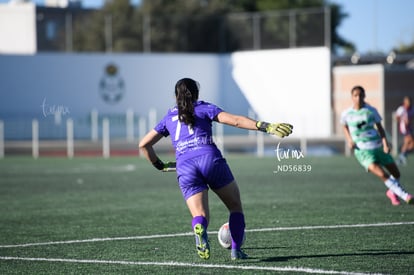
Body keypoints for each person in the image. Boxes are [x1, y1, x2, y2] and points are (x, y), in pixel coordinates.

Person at [138, 78, 293, 260]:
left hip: (185, 167)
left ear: (175, 96)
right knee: (235, 207)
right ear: (196, 94)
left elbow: (144, 144)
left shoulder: (168, 117)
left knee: (201, 215)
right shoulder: (204, 107)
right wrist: (265, 126)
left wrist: (161, 165)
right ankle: (236, 251)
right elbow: (235, 121)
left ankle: (200, 228)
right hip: (209, 159)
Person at [341, 85, 413, 206]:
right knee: (382, 174)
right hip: (362, 151)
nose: (358, 98)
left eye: (360, 95)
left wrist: (385, 144)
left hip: (377, 147)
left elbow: (380, 128)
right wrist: (349, 140)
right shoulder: (347, 113)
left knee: (396, 174)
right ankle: (405, 196)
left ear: (364, 96)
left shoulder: (371, 111)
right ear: (352, 97)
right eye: (355, 95)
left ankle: (391, 192)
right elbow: (344, 125)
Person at [395, 96, 414, 165]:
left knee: (410, 144)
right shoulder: (401, 109)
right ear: (405, 102)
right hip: (404, 128)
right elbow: (396, 117)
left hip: (409, 127)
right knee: (409, 140)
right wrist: (403, 120)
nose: (409, 103)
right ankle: (402, 157)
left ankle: (401, 157)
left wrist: (410, 121)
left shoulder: (411, 109)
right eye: (407, 101)